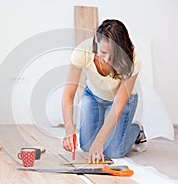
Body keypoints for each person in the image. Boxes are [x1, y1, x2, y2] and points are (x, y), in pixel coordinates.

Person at [62, 19, 147, 163]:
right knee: (87, 146)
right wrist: (69, 129)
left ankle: (137, 130)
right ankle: (107, 134)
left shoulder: (132, 59)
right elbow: (68, 94)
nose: (107, 59)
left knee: (113, 151)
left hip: (120, 102)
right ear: (96, 41)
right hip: (93, 96)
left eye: (113, 55)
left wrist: (100, 142)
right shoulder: (82, 52)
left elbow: (118, 106)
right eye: (103, 52)